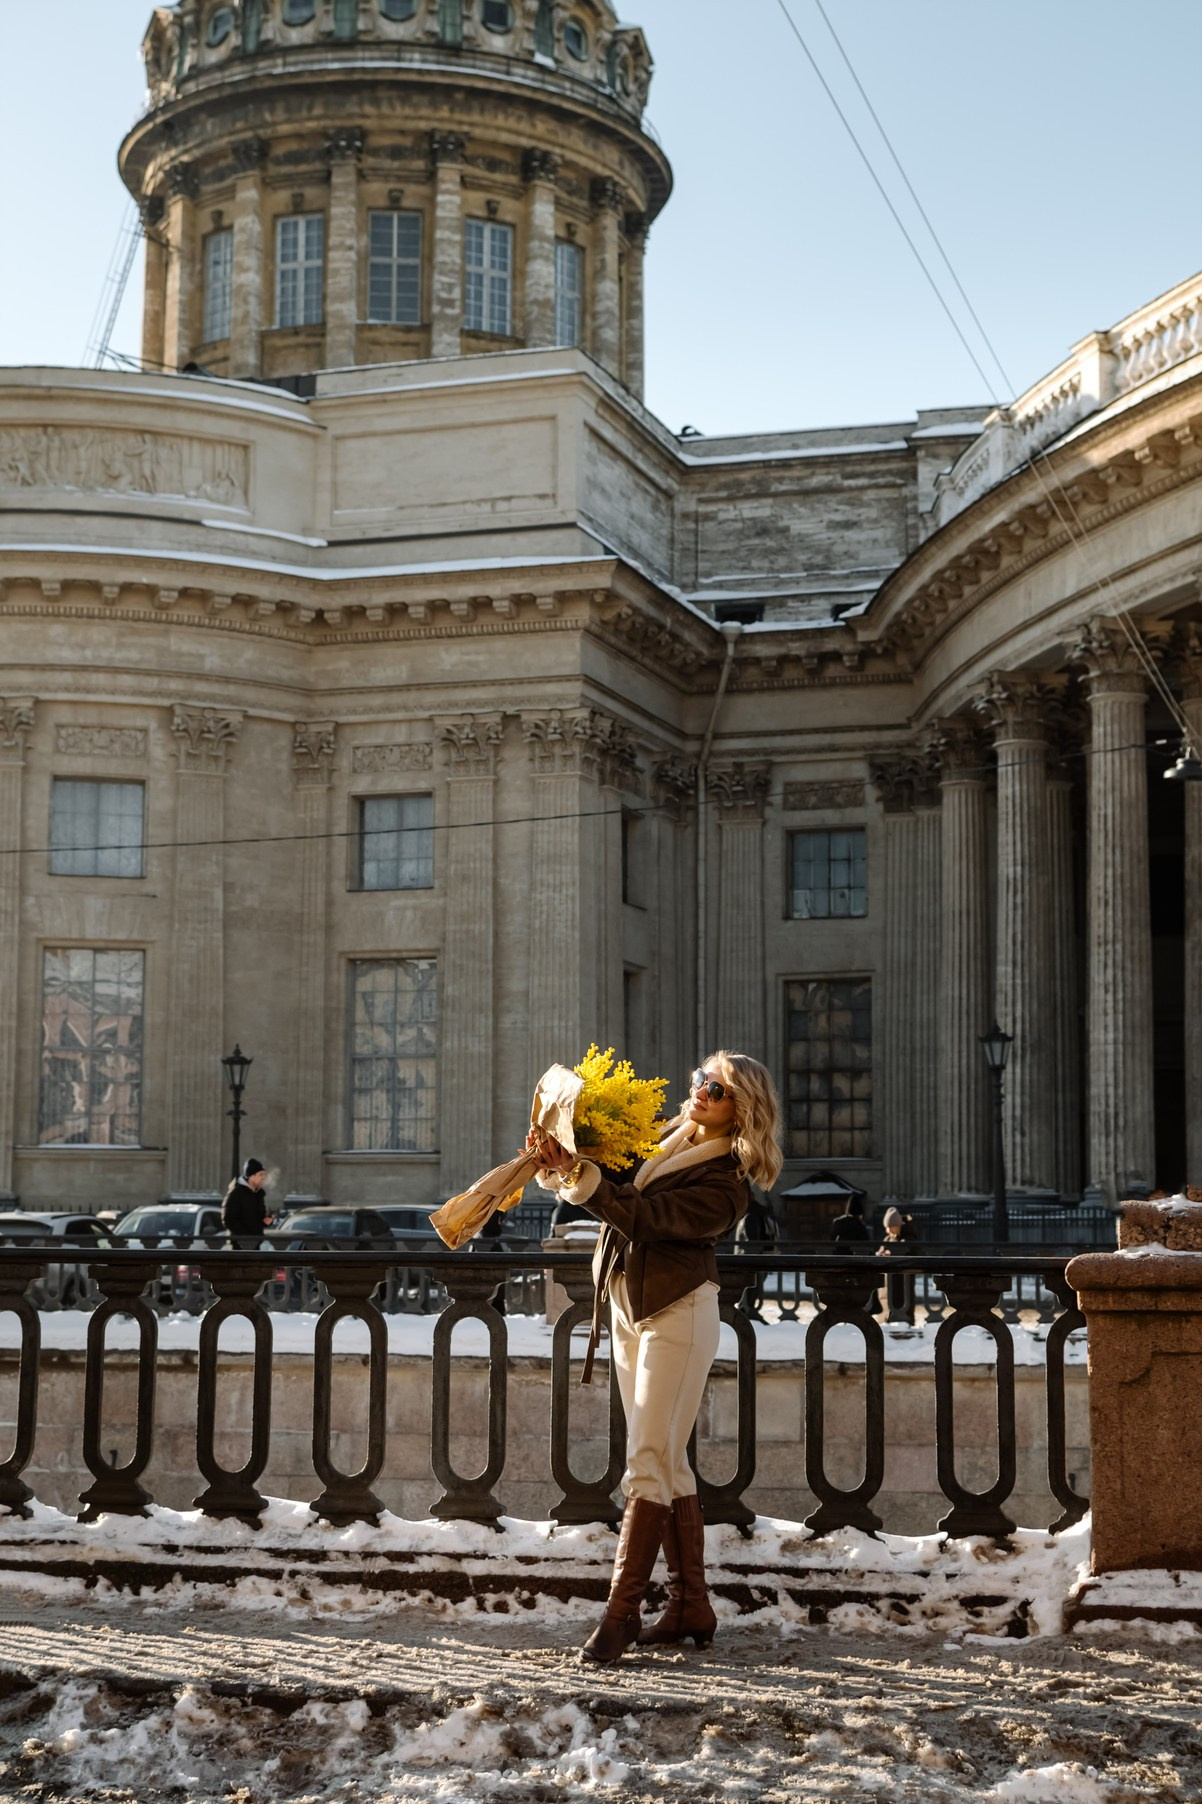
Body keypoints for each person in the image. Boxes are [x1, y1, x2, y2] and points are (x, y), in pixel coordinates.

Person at [531, 1050, 783, 1665]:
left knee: (645, 1461)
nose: (701, 1090)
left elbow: (646, 1218)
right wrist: (566, 1162)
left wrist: (589, 1186)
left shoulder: (727, 1183)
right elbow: (613, 1186)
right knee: (668, 1464)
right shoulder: (668, 1138)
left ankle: (621, 1616)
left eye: (718, 1089)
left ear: (742, 1109)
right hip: (628, 1308)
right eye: (701, 1078)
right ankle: (690, 1604)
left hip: (678, 1315)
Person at [876, 1204, 918, 1325]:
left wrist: (891, 1253)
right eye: (887, 1227)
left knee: (903, 1303)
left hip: (903, 1279)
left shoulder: (908, 1237)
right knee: (887, 1303)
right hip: (889, 1279)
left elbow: (911, 1250)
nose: (888, 1230)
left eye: (890, 1227)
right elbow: (882, 1249)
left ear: (897, 1225)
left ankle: (905, 1324)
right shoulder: (888, 1238)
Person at [222, 1157, 270, 1247]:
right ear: (251, 1176)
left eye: (264, 1174)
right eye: (261, 1174)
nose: (264, 1177)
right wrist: (246, 1236)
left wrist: (266, 1221)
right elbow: (228, 1219)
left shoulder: (259, 1193)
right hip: (239, 1246)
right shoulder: (236, 1192)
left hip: (255, 1243)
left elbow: (259, 1219)